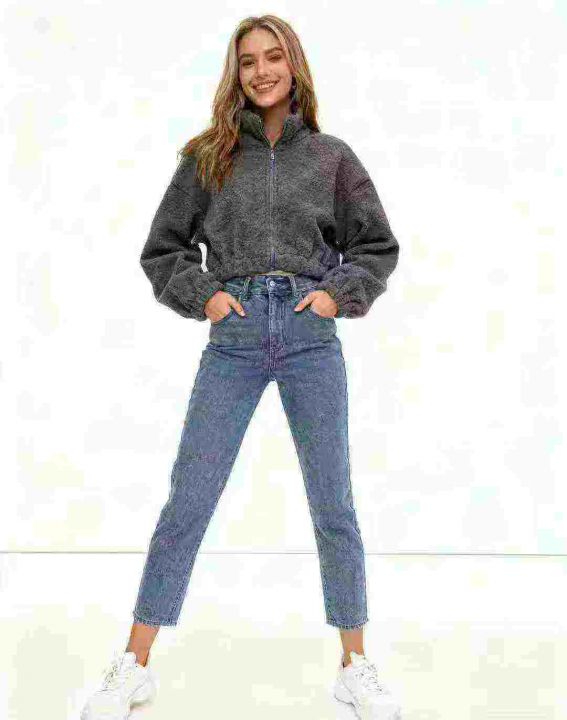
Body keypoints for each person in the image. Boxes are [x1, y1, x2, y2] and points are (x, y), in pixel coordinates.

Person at [80, 14, 401, 720]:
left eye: (273, 57)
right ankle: (133, 665)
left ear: (294, 65)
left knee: (333, 504)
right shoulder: (209, 157)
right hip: (236, 333)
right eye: (248, 60)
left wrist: (335, 295)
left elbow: (376, 246)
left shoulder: (333, 158)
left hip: (310, 333)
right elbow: (163, 249)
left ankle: (355, 666)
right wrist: (207, 297)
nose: (262, 71)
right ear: (236, 73)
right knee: (188, 499)